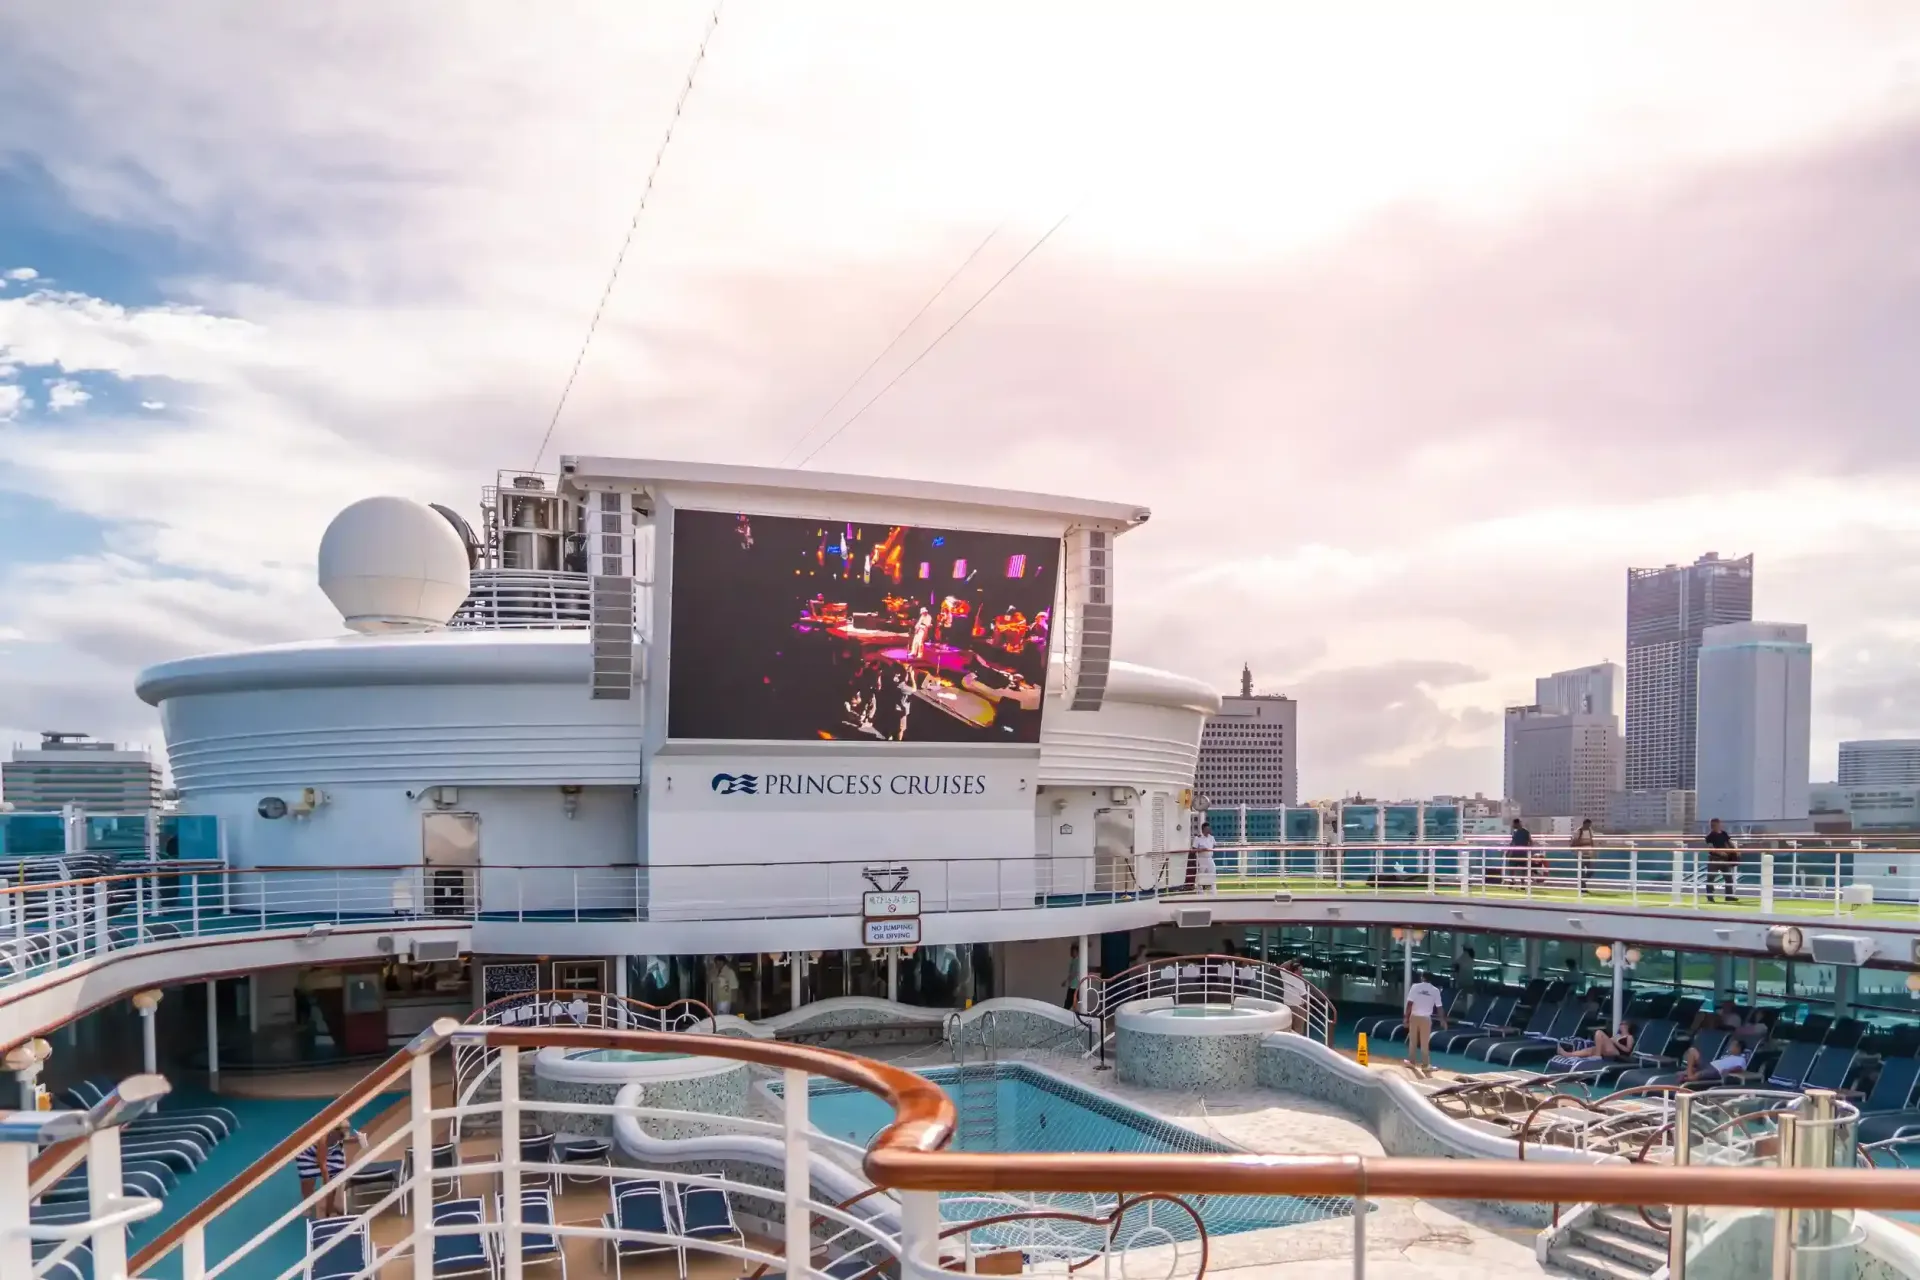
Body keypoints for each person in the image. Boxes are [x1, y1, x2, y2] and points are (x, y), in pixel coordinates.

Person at [297, 1118, 368, 1216]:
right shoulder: (323, 1139)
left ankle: (330, 1208)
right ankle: (306, 1204)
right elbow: (322, 1165)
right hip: (308, 1155)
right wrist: (327, 1182)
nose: (341, 1137)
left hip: (328, 1154)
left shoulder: (339, 1135)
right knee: (308, 1182)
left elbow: (345, 1139)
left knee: (334, 1180)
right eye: (340, 1135)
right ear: (334, 1130)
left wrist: (357, 1139)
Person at [1404, 971, 1446, 1070]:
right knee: (1424, 1042)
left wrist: (1405, 1017)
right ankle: (1425, 1064)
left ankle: (1411, 1061)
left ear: (1422, 977)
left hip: (1414, 1016)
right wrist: (1442, 1020)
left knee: (1413, 1040)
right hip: (1426, 1018)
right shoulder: (1435, 990)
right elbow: (1439, 1007)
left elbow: (1409, 1003)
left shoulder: (1415, 987)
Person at [1560, 1020, 1636, 1061]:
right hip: (1611, 1049)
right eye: (1621, 1024)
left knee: (1599, 1032)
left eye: (1623, 1024)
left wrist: (1615, 1041)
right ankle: (1569, 1054)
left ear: (1628, 1026)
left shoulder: (1629, 1037)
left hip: (1618, 1052)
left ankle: (1597, 1055)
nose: (1621, 1025)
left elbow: (1627, 1050)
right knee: (1591, 1050)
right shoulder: (1618, 1035)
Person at [1682, 1037, 1747, 1083]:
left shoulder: (1741, 1059)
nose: (1730, 1046)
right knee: (1692, 1051)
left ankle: (1690, 1077)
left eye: (1733, 1045)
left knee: (1697, 1074)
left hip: (1717, 1070)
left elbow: (1739, 1068)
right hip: (1710, 1065)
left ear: (1738, 1048)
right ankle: (1689, 1074)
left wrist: (1728, 1070)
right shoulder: (1727, 1056)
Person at [1705, 819, 1739, 903]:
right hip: (1714, 860)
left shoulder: (1724, 833)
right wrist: (1720, 853)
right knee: (1710, 879)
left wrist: (1735, 851)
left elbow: (1730, 842)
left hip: (1724, 860)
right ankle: (1710, 897)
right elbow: (1711, 848)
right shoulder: (1709, 836)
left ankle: (1729, 896)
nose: (1714, 825)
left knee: (1729, 879)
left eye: (1715, 824)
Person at [1505, 818, 1533, 884]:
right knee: (1513, 867)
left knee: (1521, 868)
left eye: (1513, 824)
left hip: (1521, 853)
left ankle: (1520, 881)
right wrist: (1508, 851)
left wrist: (1528, 849)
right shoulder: (1515, 832)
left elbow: (1530, 841)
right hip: (1517, 853)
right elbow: (1512, 843)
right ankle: (1514, 881)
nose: (1512, 825)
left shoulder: (1525, 832)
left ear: (1516, 824)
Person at [1192, 822, 1218, 892]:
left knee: (1213, 872)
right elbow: (1193, 849)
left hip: (1209, 858)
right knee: (1201, 874)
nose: (1209, 830)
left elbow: (1215, 846)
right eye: (1207, 829)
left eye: (1209, 828)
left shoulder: (1212, 838)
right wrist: (1201, 849)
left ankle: (1213, 890)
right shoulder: (1198, 838)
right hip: (1201, 859)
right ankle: (1199, 890)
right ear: (1203, 830)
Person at [1571, 819, 1596, 888]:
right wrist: (1585, 843)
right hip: (1580, 854)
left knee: (1591, 870)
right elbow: (1574, 843)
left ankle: (1582, 883)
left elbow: (1592, 842)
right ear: (1584, 824)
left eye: (1590, 825)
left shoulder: (1590, 831)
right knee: (1581, 872)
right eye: (1588, 825)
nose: (1589, 826)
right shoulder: (1579, 831)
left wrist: (1593, 850)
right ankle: (1582, 888)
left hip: (1588, 854)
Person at [1063, 942, 1083, 1011]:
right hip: (1072, 985)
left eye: (1073, 951)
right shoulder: (1073, 960)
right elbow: (1071, 973)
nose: (1071, 953)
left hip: (1075, 986)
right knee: (1069, 1003)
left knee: (1070, 1003)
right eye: (1071, 951)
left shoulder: (1078, 961)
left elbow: (1075, 973)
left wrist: (1066, 981)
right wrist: (1066, 981)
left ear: (1077, 952)